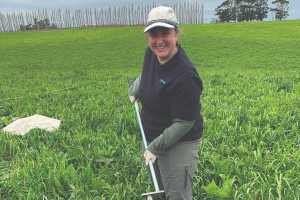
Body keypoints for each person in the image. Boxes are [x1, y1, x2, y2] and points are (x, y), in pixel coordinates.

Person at [128, 6, 203, 200]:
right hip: (151, 135)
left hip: (179, 142)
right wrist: (135, 88)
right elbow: (147, 75)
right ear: (147, 37)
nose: (159, 41)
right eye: (153, 34)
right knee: (159, 187)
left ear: (176, 33)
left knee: (177, 194)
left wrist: (154, 147)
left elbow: (184, 123)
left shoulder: (185, 76)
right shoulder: (151, 54)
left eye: (165, 33)